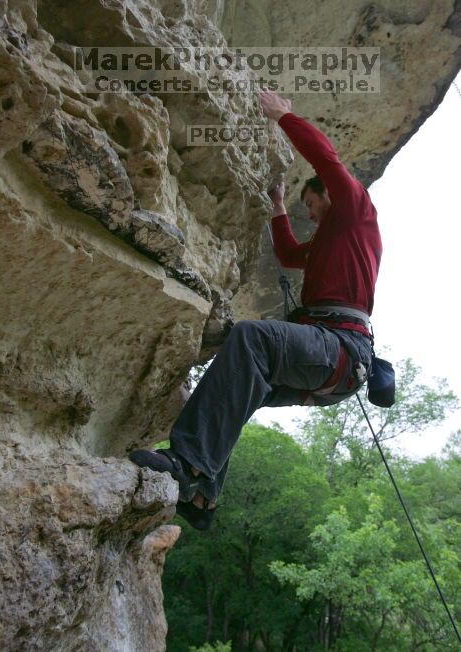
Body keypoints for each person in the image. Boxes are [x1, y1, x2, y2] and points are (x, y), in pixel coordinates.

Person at [129, 91, 383, 530]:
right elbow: (287, 254)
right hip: (330, 360)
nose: (311, 212)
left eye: (311, 203)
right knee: (248, 385)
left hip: (341, 349)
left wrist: (283, 116)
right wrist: (280, 208)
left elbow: (329, 162)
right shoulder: (328, 242)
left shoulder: (357, 212)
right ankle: (204, 497)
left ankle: (187, 464)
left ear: (329, 196)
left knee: (252, 337)